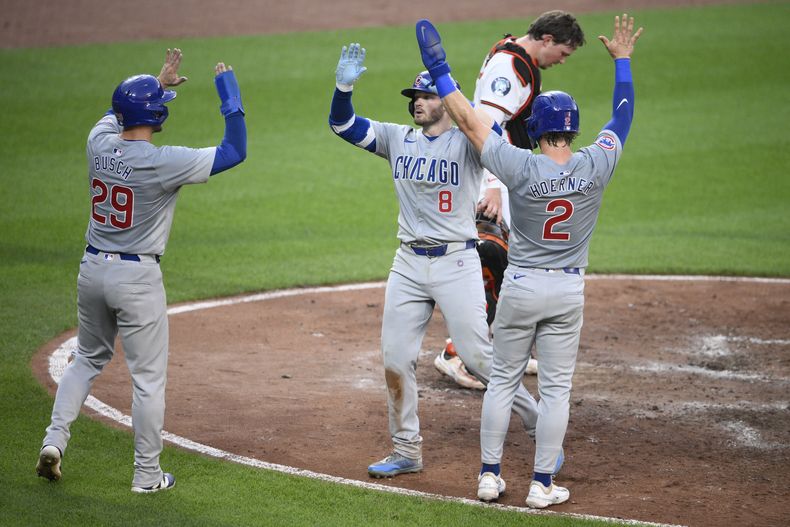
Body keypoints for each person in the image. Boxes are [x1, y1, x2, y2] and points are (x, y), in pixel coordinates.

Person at [415, 13, 642, 506]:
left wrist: (441, 70)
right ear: (574, 128)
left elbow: (474, 125)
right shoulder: (596, 163)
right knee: (556, 393)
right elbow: (622, 117)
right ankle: (542, 486)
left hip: (520, 286)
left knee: (502, 383)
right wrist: (622, 62)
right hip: (566, 290)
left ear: (533, 127)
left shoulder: (517, 166)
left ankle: (490, 477)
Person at [36, 49, 247, 493]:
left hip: (92, 268)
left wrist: (159, 83)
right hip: (136, 279)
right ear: (155, 114)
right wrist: (229, 96)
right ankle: (147, 475)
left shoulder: (98, 142)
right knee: (148, 381)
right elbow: (235, 151)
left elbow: (116, 114)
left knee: (87, 359)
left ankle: (54, 441)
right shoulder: (162, 161)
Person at [328, 43, 540, 478]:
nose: (417, 103)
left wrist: (457, 96)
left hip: (456, 262)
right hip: (407, 263)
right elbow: (342, 124)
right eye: (414, 98)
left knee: (478, 358)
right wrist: (343, 86)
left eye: (425, 96)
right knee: (395, 358)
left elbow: (500, 145)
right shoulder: (396, 138)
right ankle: (407, 449)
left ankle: (537, 419)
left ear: (447, 101)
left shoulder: (471, 142)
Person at [434, 11, 585, 389]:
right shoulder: (511, 67)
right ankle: (459, 353)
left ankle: (498, 347)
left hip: (509, 173)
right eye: (563, 52)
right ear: (547, 39)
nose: (562, 61)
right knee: (494, 258)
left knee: (516, 262)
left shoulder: (517, 56)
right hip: (500, 177)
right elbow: (483, 125)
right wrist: (493, 186)